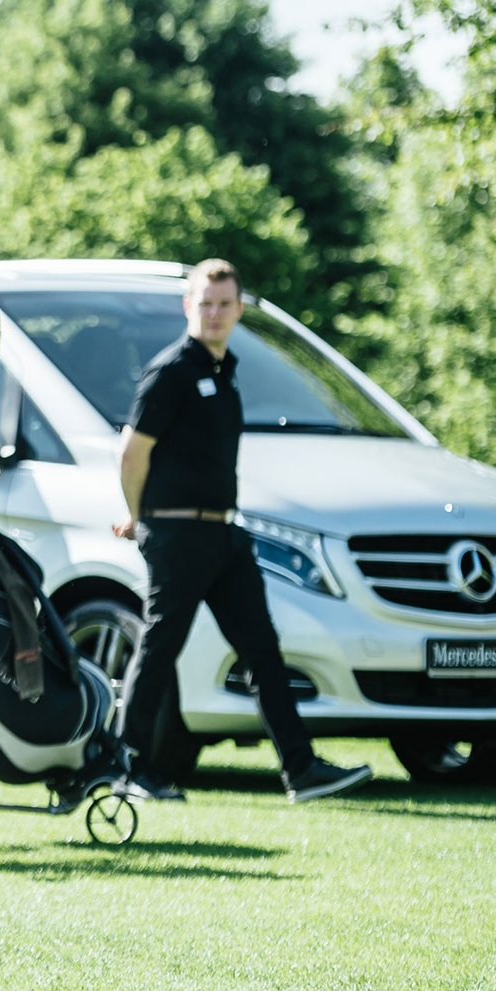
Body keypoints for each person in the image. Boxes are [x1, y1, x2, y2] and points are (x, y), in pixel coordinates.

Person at [110, 259, 371, 805]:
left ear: (239, 310)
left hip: (226, 536)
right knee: (160, 650)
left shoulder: (224, 370)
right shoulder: (171, 371)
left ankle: (301, 771)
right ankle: (130, 770)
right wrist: (138, 516)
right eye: (205, 303)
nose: (214, 313)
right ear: (189, 306)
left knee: (263, 652)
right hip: (177, 536)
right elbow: (132, 452)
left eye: (224, 304)